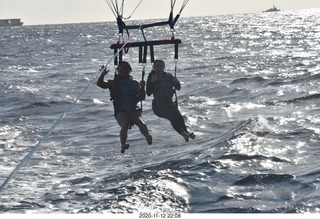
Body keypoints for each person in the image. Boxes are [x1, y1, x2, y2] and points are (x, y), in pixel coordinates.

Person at [97, 61, 152, 153]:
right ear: (118, 70)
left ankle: (147, 136)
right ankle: (123, 145)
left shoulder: (134, 83)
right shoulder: (113, 83)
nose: (124, 69)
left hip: (133, 108)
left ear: (130, 71)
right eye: (122, 67)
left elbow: (142, 97)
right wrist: (102, 75)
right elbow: (100, 84)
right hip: (120, 110)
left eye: (126, 67)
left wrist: (143, 87)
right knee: (125, 124)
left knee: (139, 121)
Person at [146, 59, 195, 142]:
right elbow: (148, 93)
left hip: (169, 104)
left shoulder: (168, 76)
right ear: (154, 67)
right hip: (158, 107)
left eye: (161, 66)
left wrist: (176, 82)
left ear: (164, 67)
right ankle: (184, 135)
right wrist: (151, 82)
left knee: (178, 116)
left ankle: (186, 132)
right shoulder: (151, 77)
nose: (159, 68)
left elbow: (178, 88)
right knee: (172, 117)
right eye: (157, 66)